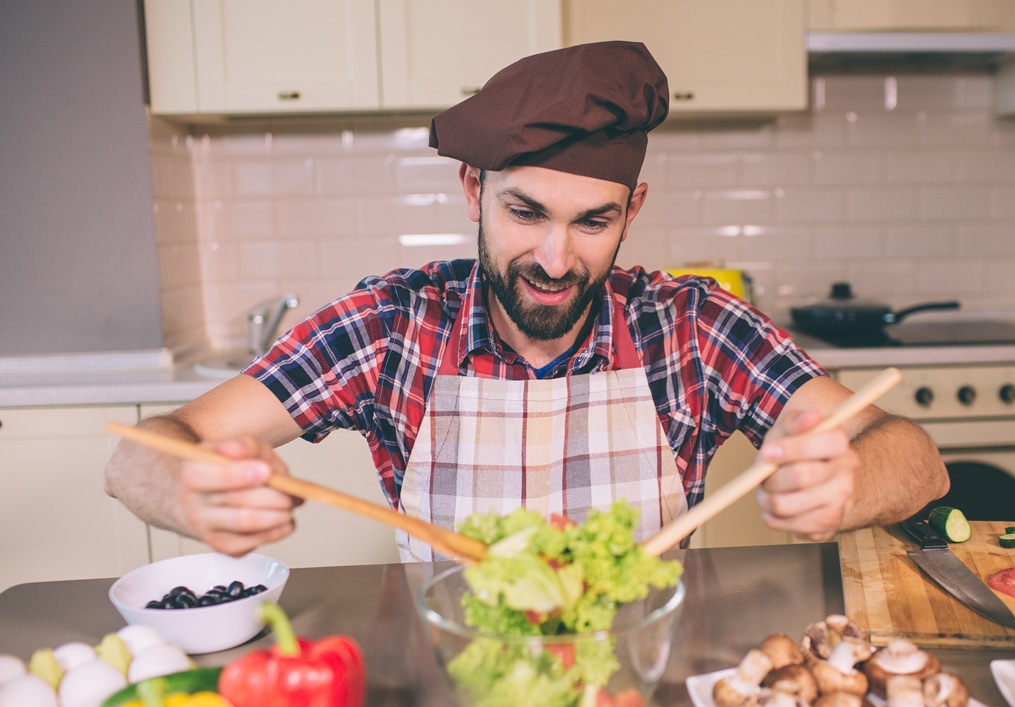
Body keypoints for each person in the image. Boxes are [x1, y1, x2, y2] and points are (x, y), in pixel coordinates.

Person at [104, 41, 948, 561]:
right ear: (473, 188)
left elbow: (913, 455)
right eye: (526, 211)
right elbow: (144, 449)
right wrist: (189, 487)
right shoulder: (395, 326)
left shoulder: (693, 326)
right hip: (453, 666)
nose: (556, 258)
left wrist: (850, 484)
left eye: (593, 221)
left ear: (633, 212)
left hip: (643, 671)